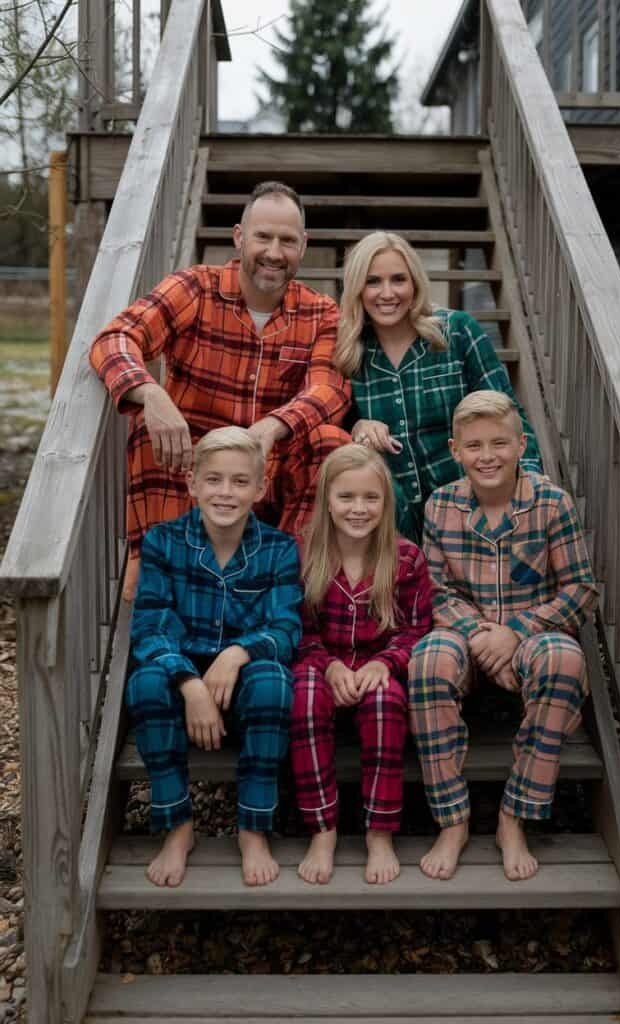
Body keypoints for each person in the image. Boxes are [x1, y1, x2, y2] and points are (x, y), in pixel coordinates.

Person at [90, 180, 350, 599]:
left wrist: (271, 428)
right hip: (194, 471)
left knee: (331, 442)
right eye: (263, 236)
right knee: (147, 424)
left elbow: (330, 388)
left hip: (270, 472)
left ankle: (284, 579)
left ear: (303, 246)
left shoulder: (322, 313)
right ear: (239, 237)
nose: (274, 252)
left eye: (287, 241)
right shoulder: (194, 289)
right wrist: (151, 393)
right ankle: (158, 572)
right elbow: (115, 338)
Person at [408, 391, 597, 882]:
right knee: (428, 657)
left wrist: (514, 633)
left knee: (564, 659)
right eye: (473, 446)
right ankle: (453, 820)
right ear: (455, 450)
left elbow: (580, 588)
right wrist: (478, 636)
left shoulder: (551, 502)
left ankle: (515, 816)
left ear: (521, 445)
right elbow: (436, 591)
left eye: (498, 443)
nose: (486, 456)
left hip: (530, 636)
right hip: (467, 641)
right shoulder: (441, 506)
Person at [126, 427, 302, 888]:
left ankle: (253, 828)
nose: (226, 492)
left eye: (240, 482)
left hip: (241, 680)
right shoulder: (164, 542)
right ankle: (178, 827)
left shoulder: (280, 549)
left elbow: (286, 628)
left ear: (260, 489)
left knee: (274, 681)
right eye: (215, 480)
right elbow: (149, 626)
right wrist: (189, 683)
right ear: (192, 483)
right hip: (182, 674)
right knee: (145, 681)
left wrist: (237, 653)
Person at [335, 231, 542, 542]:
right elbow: (337, 426)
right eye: (373, 281)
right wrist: (358, 426)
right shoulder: (350, 354)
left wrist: (532, 491)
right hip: (395, 526)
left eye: (398, 279)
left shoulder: (457, 333)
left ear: (415, 282)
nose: (387, 293)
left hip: (470, 511)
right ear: (356, 288)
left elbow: (508, 415)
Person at [290, 444, 432, 886]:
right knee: (305, 696)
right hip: (319, 665)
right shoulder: (302, 553)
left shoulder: (406, 558)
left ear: (386, 502)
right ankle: (323, 829)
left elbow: (417, 629)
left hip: (377, 668)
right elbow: (299, 630)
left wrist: (386, 664)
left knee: (387, 702)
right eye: (346, 497)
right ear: (326, 499)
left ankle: (379, 831)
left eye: (370, 498)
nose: (358, 508)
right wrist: (328, 666)